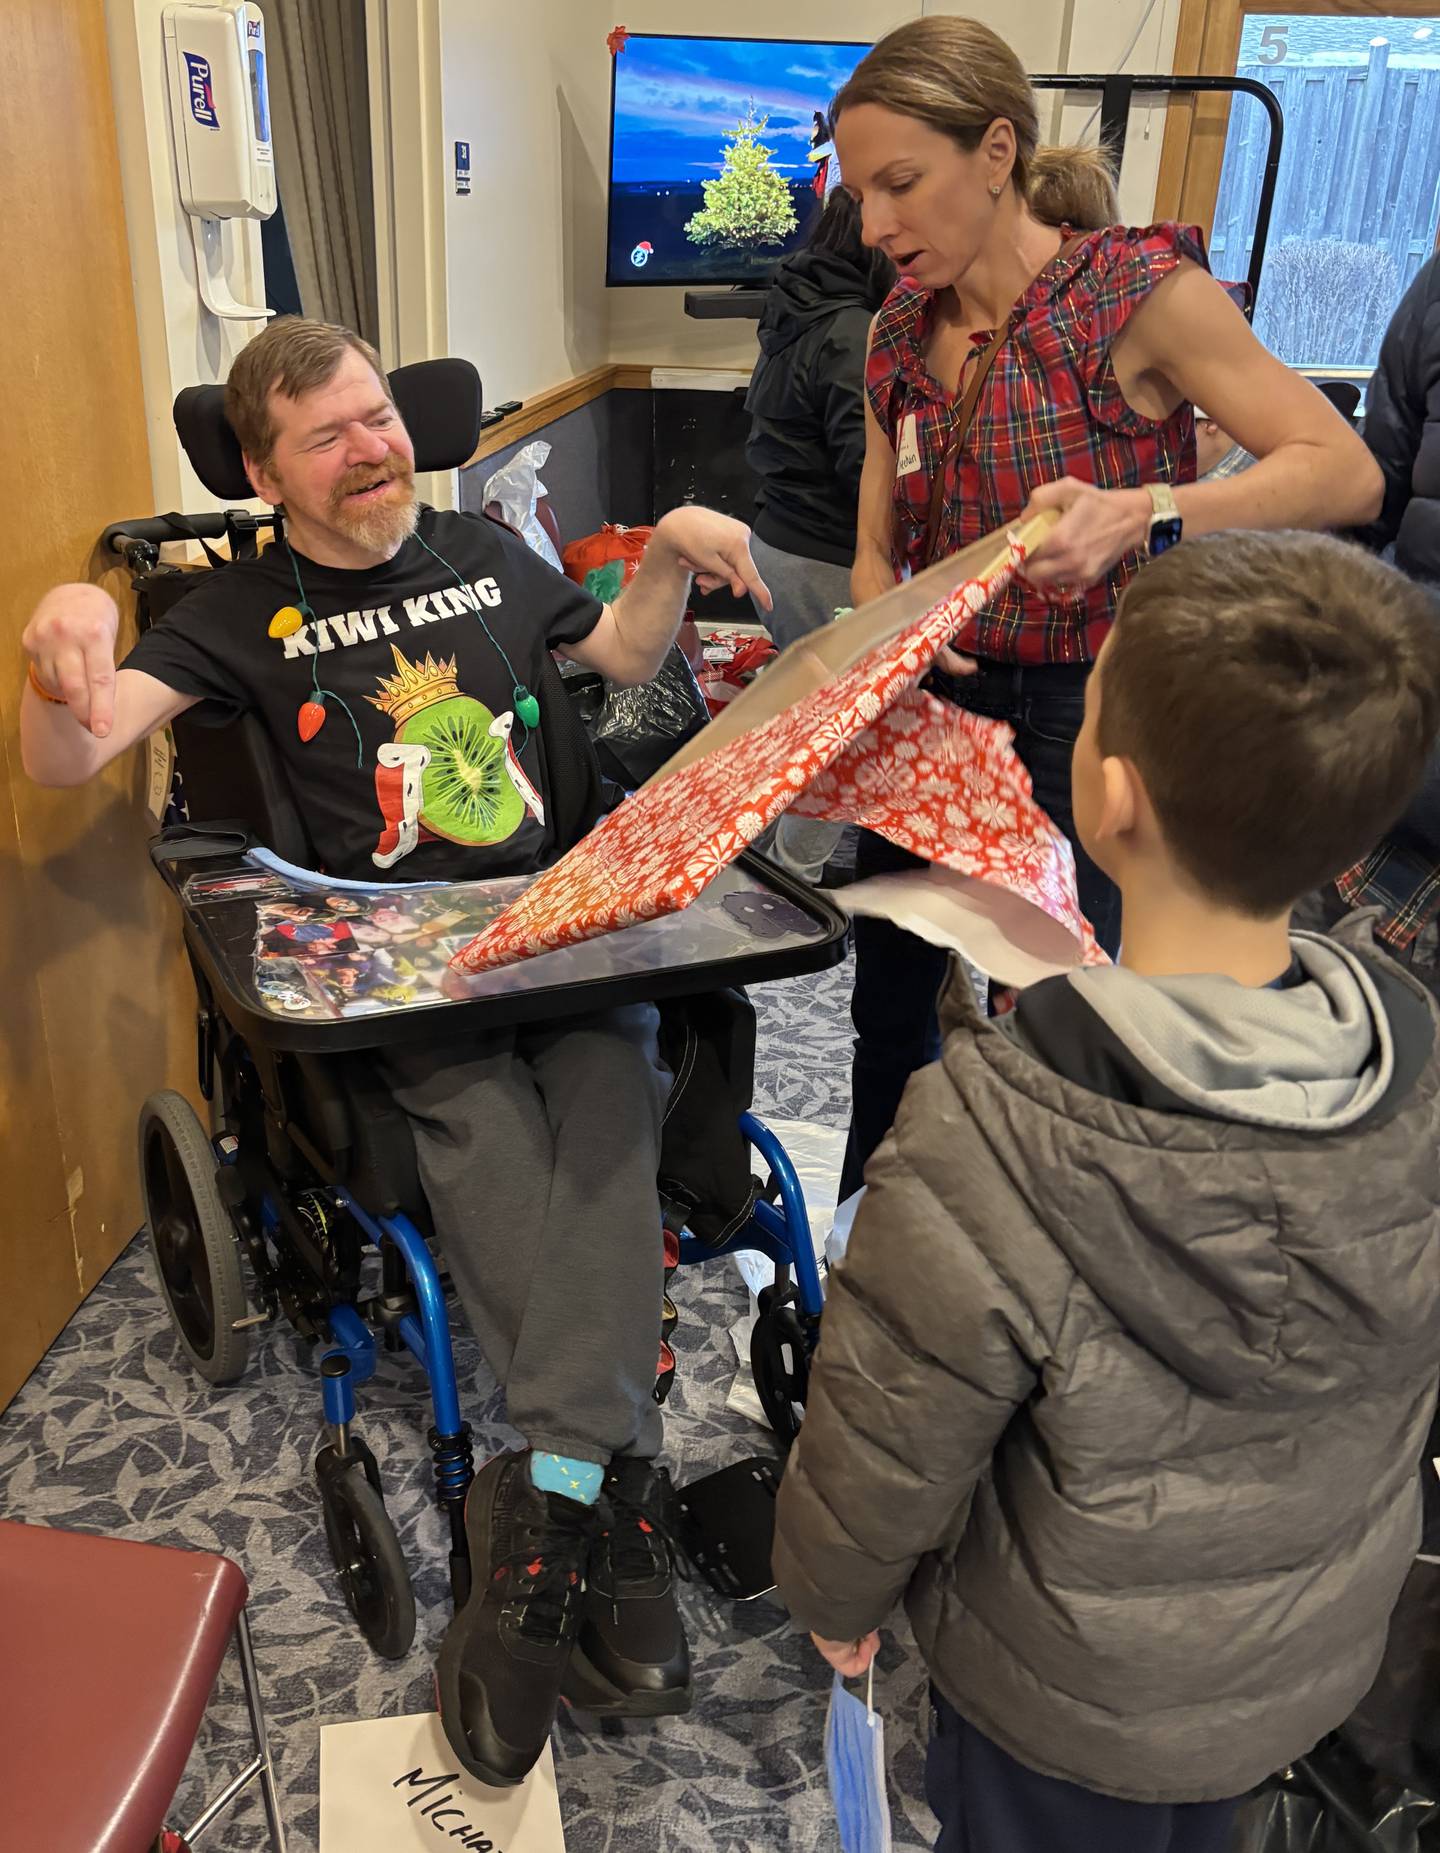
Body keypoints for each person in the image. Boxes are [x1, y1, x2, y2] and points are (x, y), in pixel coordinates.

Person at [19, 317, 771, 1788]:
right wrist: (65, 639)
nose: (370, 449)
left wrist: (669, 552)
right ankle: (598, 1490)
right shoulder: (234, 613)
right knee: (489, 1137)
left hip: (555, 936)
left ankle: (542, 1501)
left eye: (376, 416)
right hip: (401, 979)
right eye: (327, 434)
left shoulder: (488, 556)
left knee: (613, 1096)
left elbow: (614, 652)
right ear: (262, 469)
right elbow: (75, 752)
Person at [773, 528, 1440, 1853]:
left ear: (1111, 796)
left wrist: (831, 1591)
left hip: (1060, 1700)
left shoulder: (994, 1128)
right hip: (1300, 1659)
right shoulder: (1416, 1071)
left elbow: (893, 1421)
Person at [832, 16, 1384, 1200]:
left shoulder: (1128, 294)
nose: (875, 225)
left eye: (900, 184)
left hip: (1085, 710)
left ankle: (1056, 1261)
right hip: (933, 716)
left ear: (995, 152)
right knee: (891, 1012)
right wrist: (889, 621)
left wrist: (1149, 511)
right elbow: (876, 543)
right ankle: (875, 1251)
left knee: (1065, 1019)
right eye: (859, 192)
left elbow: (1340, 467)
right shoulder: (893, 335)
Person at [744, 187, 894, 882]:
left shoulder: (792, 310)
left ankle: (768, 858)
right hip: (828, 555)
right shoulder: (853, 329)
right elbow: (862, 462)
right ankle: (797, 880)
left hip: (775, 544)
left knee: (802, 715)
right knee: (845, 730)